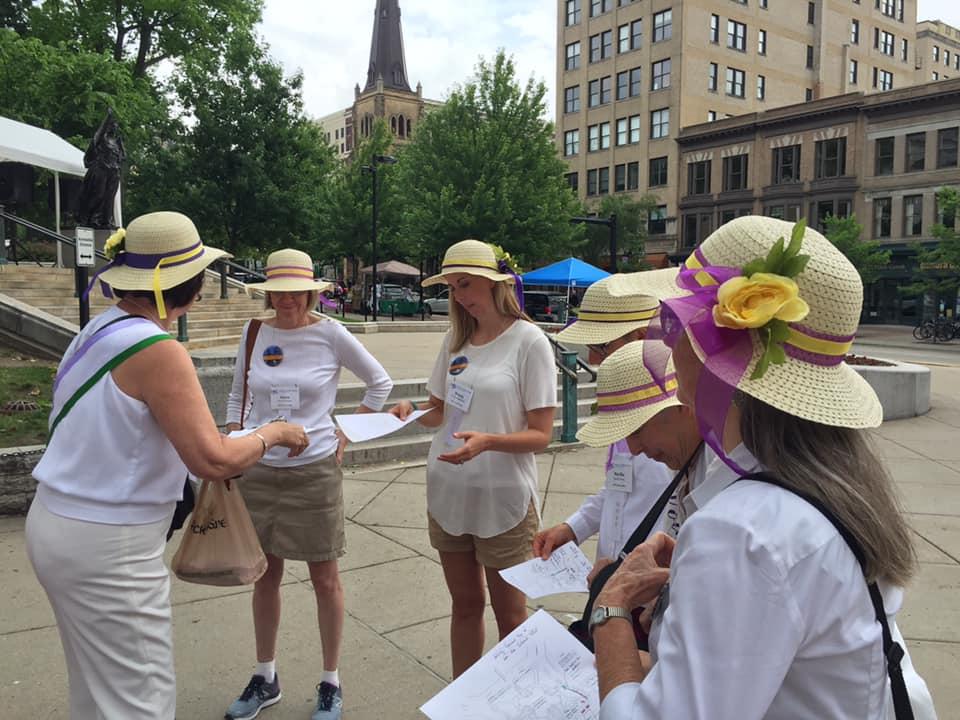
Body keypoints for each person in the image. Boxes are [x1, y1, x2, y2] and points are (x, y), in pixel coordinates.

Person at [592, 217, 937, 719]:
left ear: (713, 350)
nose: (668, 344)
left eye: (679, 327)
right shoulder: (833, 481)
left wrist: (611, 610)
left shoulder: (742, 531)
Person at [25, 211, 309, 720]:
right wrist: (274, 433)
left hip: (58, 523)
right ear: (189, 286)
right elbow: (212, 460)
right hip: (109, 543)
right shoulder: (158, 348)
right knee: (140, 701)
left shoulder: (97, 330)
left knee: (96, 690)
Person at [223, 248, 393, 720]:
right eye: (278, 292)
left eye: (296, 292)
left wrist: (345, 432)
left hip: (314, 472)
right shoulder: (254, 331)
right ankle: (265, 675)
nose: (287, 300)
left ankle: (330, 682)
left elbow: (380, 383)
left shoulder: (331, 333)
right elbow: (238, 393)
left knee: (325, 579)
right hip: (259, 469)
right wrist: (234, 445)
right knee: (264, 575)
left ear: (311, 292)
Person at [390, 239, 557, 678]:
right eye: (452, 287)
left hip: (503, 498)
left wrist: (488, 442)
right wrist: (411, 410)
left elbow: (541, 434)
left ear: (494, 282)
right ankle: (462, 703)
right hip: (448, 491)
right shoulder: (456, 339)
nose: (460, 295)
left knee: (510, 614)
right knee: (464, 606)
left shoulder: (530, 342)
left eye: (466, 284)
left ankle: (515, 702)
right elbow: (440, 412)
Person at [533, 277, 675, 566]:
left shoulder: (678, 420)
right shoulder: (628, 400)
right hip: (617, 578)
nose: (594, 359)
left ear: (640, 337)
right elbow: (618, 488)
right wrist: (574, 526)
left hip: (652, 586)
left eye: (602, 346)